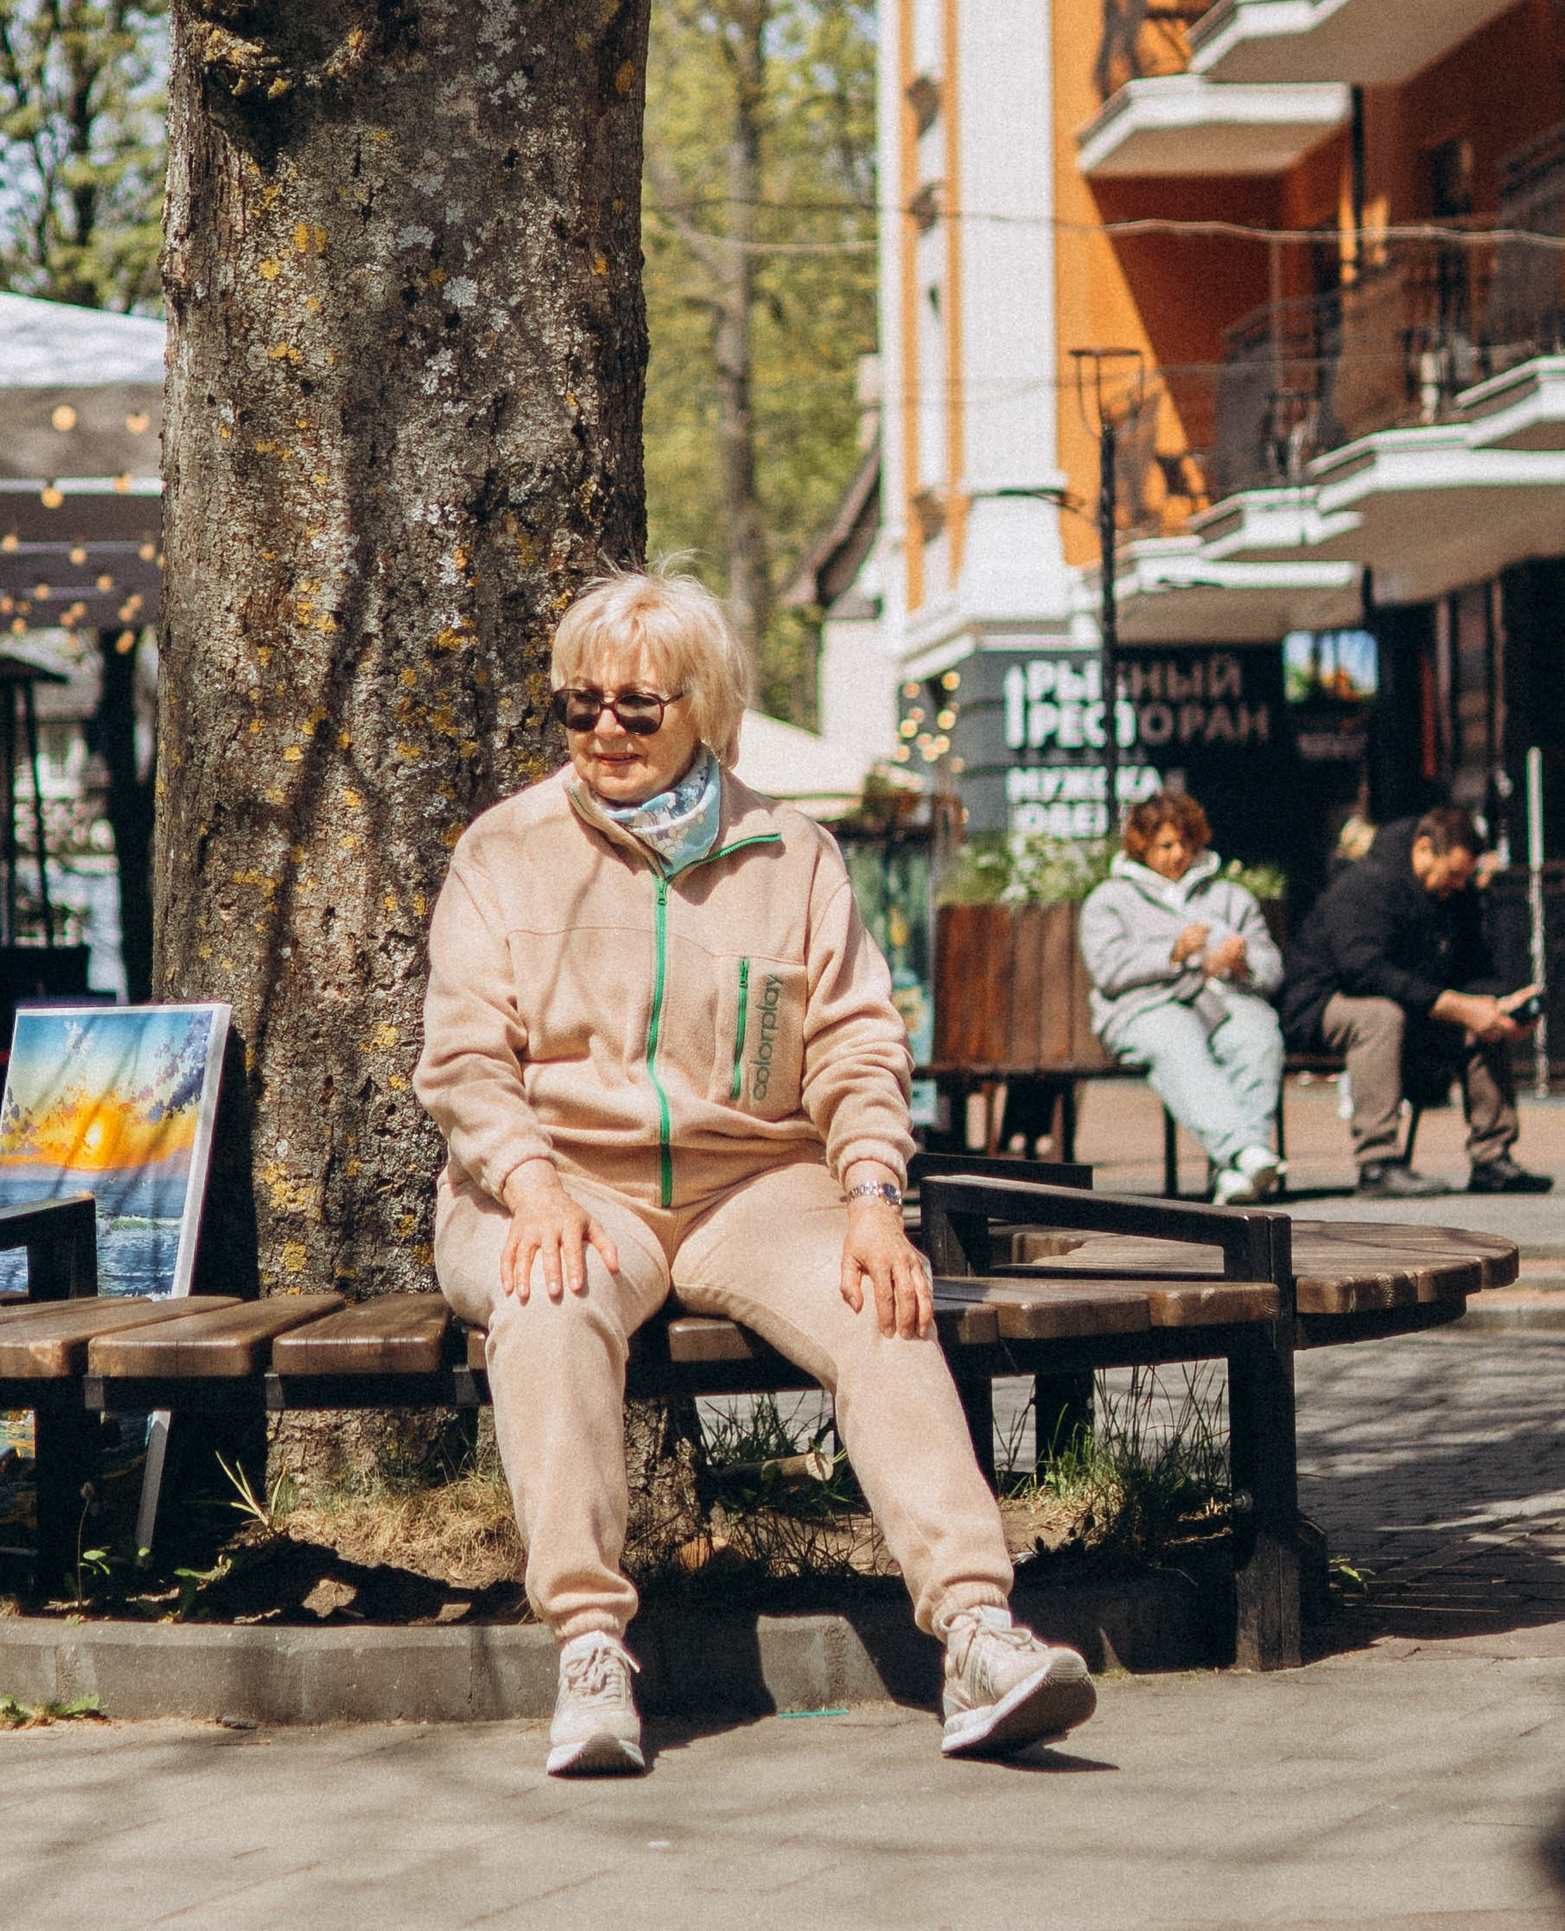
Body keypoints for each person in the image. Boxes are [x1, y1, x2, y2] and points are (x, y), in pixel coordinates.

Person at [417, 565, 1096, 1779]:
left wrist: (876, 1199)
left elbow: (854, 1046)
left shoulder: (795, 852)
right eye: (581, 705)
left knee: (879, 1299)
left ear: (705, 709)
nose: (605, 730)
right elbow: (464, 1060)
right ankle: (586, 1643)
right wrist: (530, 1184)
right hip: (563, 1177)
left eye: (638, 704)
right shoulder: (505, 848)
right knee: (550, 1299)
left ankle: (978, 1630)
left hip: (753, 1181)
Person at [1278, 805, 1553, 1197]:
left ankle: (1493, 1158)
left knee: (1482, 1026)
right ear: (1424, 849)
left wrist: (1500, 1004)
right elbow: (1364, 971)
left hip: (1409, 1005)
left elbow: (1472, 968)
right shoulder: (1366, 884)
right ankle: (1379, 1164)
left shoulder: (1453, 895)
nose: (1458, 885)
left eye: (1465, 876)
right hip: (1321, 1003)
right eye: (1454, 874)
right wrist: (1457, 1006)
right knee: (1380, 1016)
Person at [1077, 791, 1286, 1203]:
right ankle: (1245, 1152)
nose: (1177, 855)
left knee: (1259, 1037)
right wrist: (1174, 954)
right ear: (1141, 846)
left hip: (1221, 999)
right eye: (1165, 846)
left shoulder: (1228, 896)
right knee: (1178, 1045)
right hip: (1144, 1006)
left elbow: (1272, 967)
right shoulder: (1111, 899)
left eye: (1184, 844)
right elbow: (1108, 969)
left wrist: (1243, 965)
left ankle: (1234, 1173)